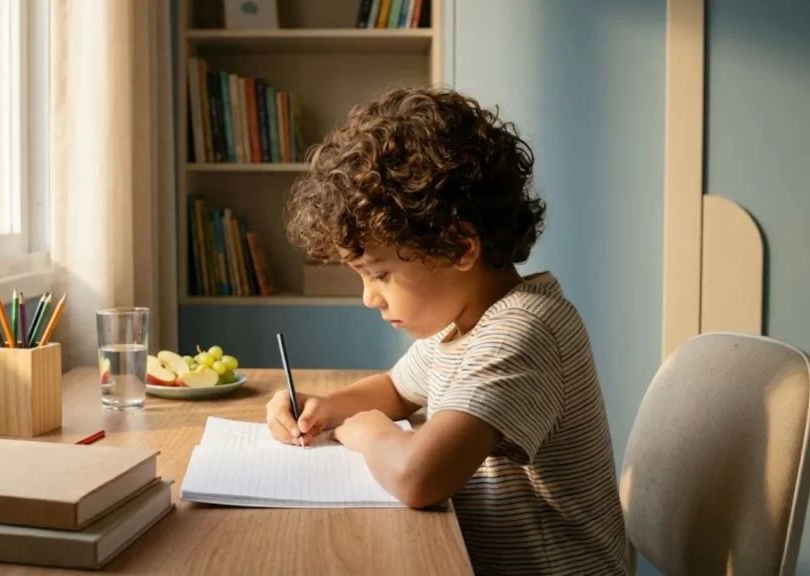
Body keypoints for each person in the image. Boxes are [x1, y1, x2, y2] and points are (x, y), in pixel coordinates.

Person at [265, 86, 628, 575]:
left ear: (459, 248)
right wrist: (324, 407)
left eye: (380, 274)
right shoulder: (462, 323)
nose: (369, 298)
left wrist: (369, 433)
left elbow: (419, 478)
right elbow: (396, 388)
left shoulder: (523, 331)